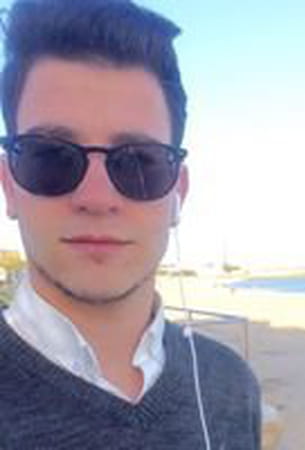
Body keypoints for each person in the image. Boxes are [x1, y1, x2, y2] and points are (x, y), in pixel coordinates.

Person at [0, 0, 261, 448]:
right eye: (51, 157)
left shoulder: (229, 386)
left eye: (139, 162)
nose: (97, 199)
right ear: (9, 185)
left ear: (178, 193)